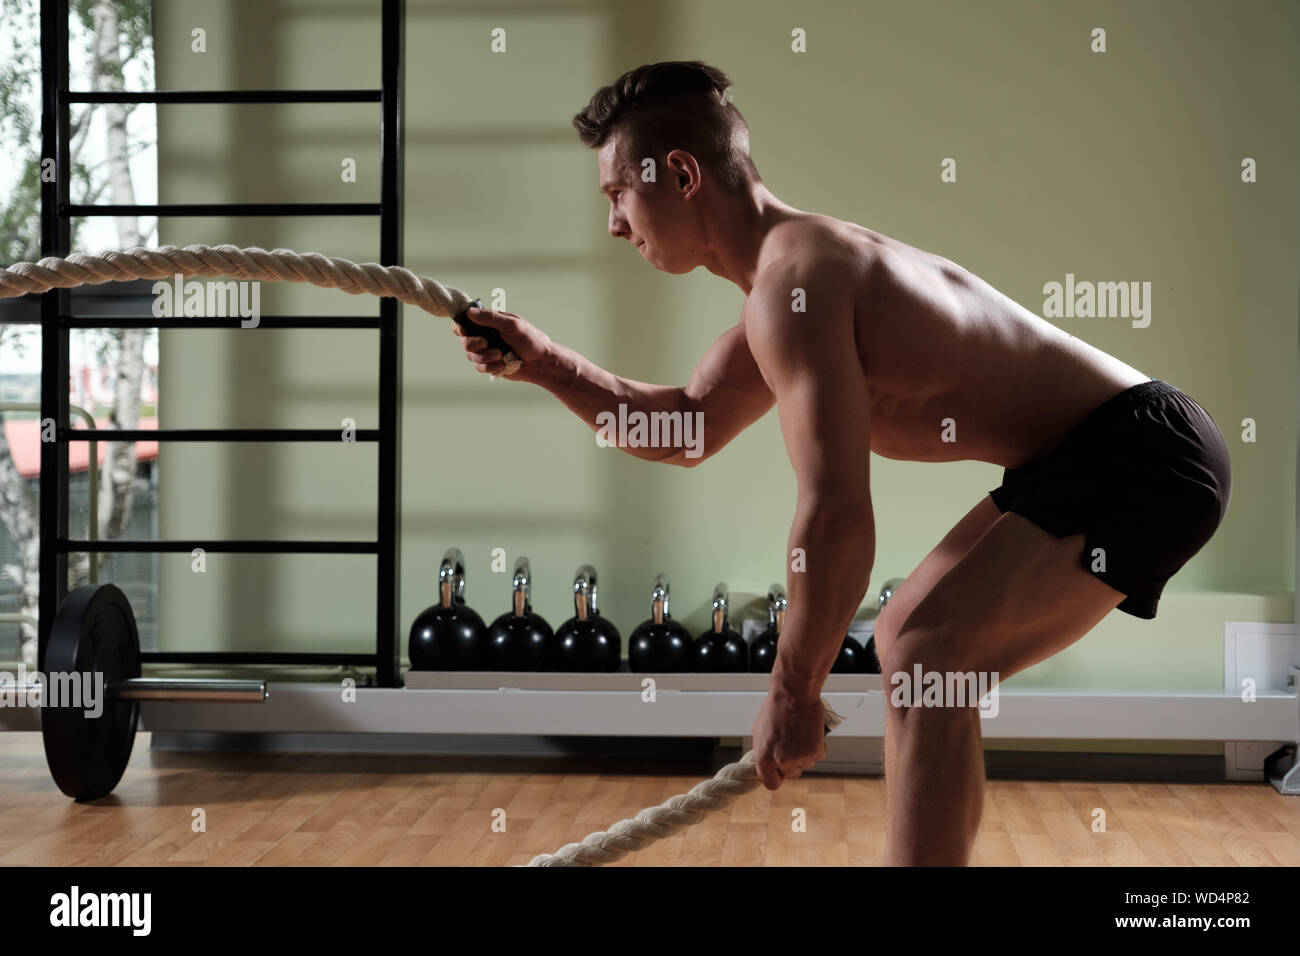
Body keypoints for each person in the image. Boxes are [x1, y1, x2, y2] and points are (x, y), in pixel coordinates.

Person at [451, 60, 1232, 866]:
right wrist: (546, 364)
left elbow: (835, 513)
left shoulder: (802, 277)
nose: (615, 224)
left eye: (618, 193)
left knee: (929, 652)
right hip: (1095, 455)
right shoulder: (783, 291)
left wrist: (793, 690)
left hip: (1144, 453)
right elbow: (686, 427)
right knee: (913, 644)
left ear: (679, 174)